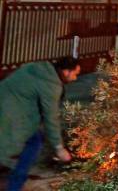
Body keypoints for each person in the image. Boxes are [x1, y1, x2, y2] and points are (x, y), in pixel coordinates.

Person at [0, 58, 80, 191]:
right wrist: (59, 147)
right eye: (75, 73)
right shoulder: (51, 85)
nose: (75, 78)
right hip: (12, 117)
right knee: (32, 144)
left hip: (7, 107)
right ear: (66, 72)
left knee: (31, 140)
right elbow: (51, 117)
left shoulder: (37, 68)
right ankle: (14, 186)